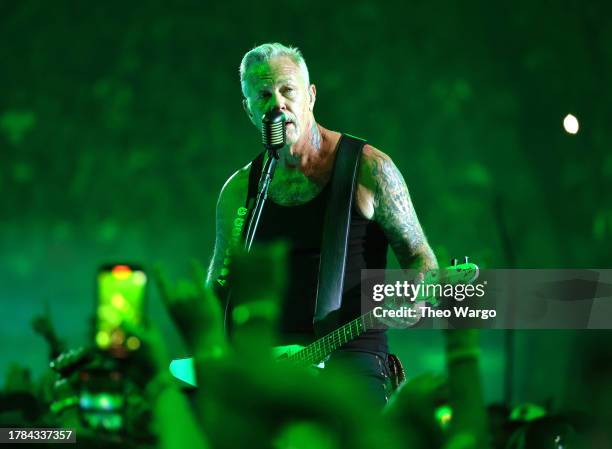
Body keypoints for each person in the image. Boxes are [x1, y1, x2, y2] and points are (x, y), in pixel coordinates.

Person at [206, 42, 438, 407]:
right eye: (263, 95)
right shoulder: (240, 192)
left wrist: (414, 298)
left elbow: (420, 258)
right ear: (249, 110)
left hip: (350, 357)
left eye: (287, 90)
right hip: (269, 368)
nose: (277, 104)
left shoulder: (369, 169)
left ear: (310, 97)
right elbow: (219, 287)